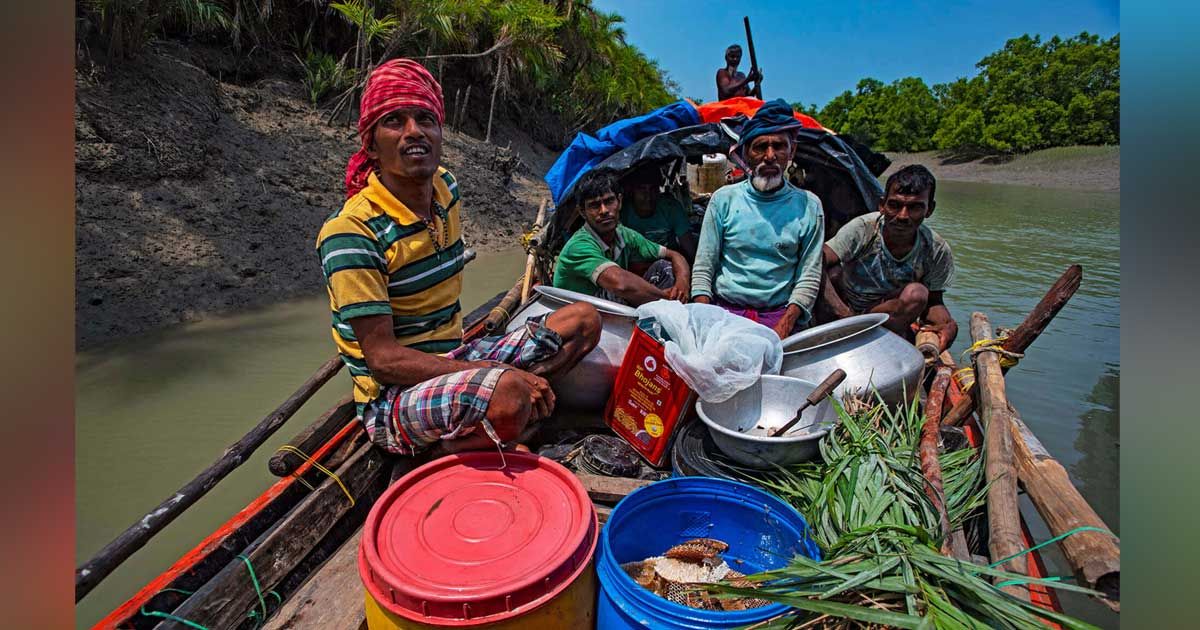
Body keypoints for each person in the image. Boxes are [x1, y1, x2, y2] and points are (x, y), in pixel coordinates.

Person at [316, 59, 601, 456]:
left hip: (455, 355)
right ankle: (451, 449)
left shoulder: (445, 186)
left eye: (425, 119)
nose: (414, 132)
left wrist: (489, 370)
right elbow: (383, 361)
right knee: (509, 393)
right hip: (394, 397)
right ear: (370, 144)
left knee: (584, 320)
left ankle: (511, 411)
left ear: (439, 132)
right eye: (395, 121)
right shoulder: (351, 233)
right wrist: (496, 372)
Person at [690, 100, 824, 339]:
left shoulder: (809, 205)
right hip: (725, 313)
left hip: (779, 317)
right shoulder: (724, 199)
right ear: (746, 154)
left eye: (779, 147)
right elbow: (704, 266)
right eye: (760, 147)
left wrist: (782, 328)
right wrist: (705, 317)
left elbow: (808, 276)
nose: (770, 156)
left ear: (791, 152)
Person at [821, 164, 958, 350]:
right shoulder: (863, 229)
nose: (903, 216)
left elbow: (934, 300)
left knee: (918, 293)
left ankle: (879, 340)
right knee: (832, 270)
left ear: (929, 210)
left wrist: (947, 325)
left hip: (885, 312)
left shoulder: (935, 248)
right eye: (895, 205)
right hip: (845, 306)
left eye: (914, 208)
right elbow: (816, 260)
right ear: (882, 205)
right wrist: (846, 316)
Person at [553, 170, 691, 306]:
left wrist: (682, 284)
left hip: (611, 311)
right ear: (582, 212)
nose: (604, 211)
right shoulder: (579, 245)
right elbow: (621, 284)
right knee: (618, 289)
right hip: (581, 315)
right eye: (594, 205)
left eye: (609, 201)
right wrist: (666, 299)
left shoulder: (624, 234)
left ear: (619, 201)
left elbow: (674, 255)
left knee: (664, 267)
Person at [620, 170, 698, 260]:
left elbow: (689, 247)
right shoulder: (623, 211)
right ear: (632, 191)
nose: (648, 196)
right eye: (642, 189)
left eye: (653, 189)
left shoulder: (670, 207)